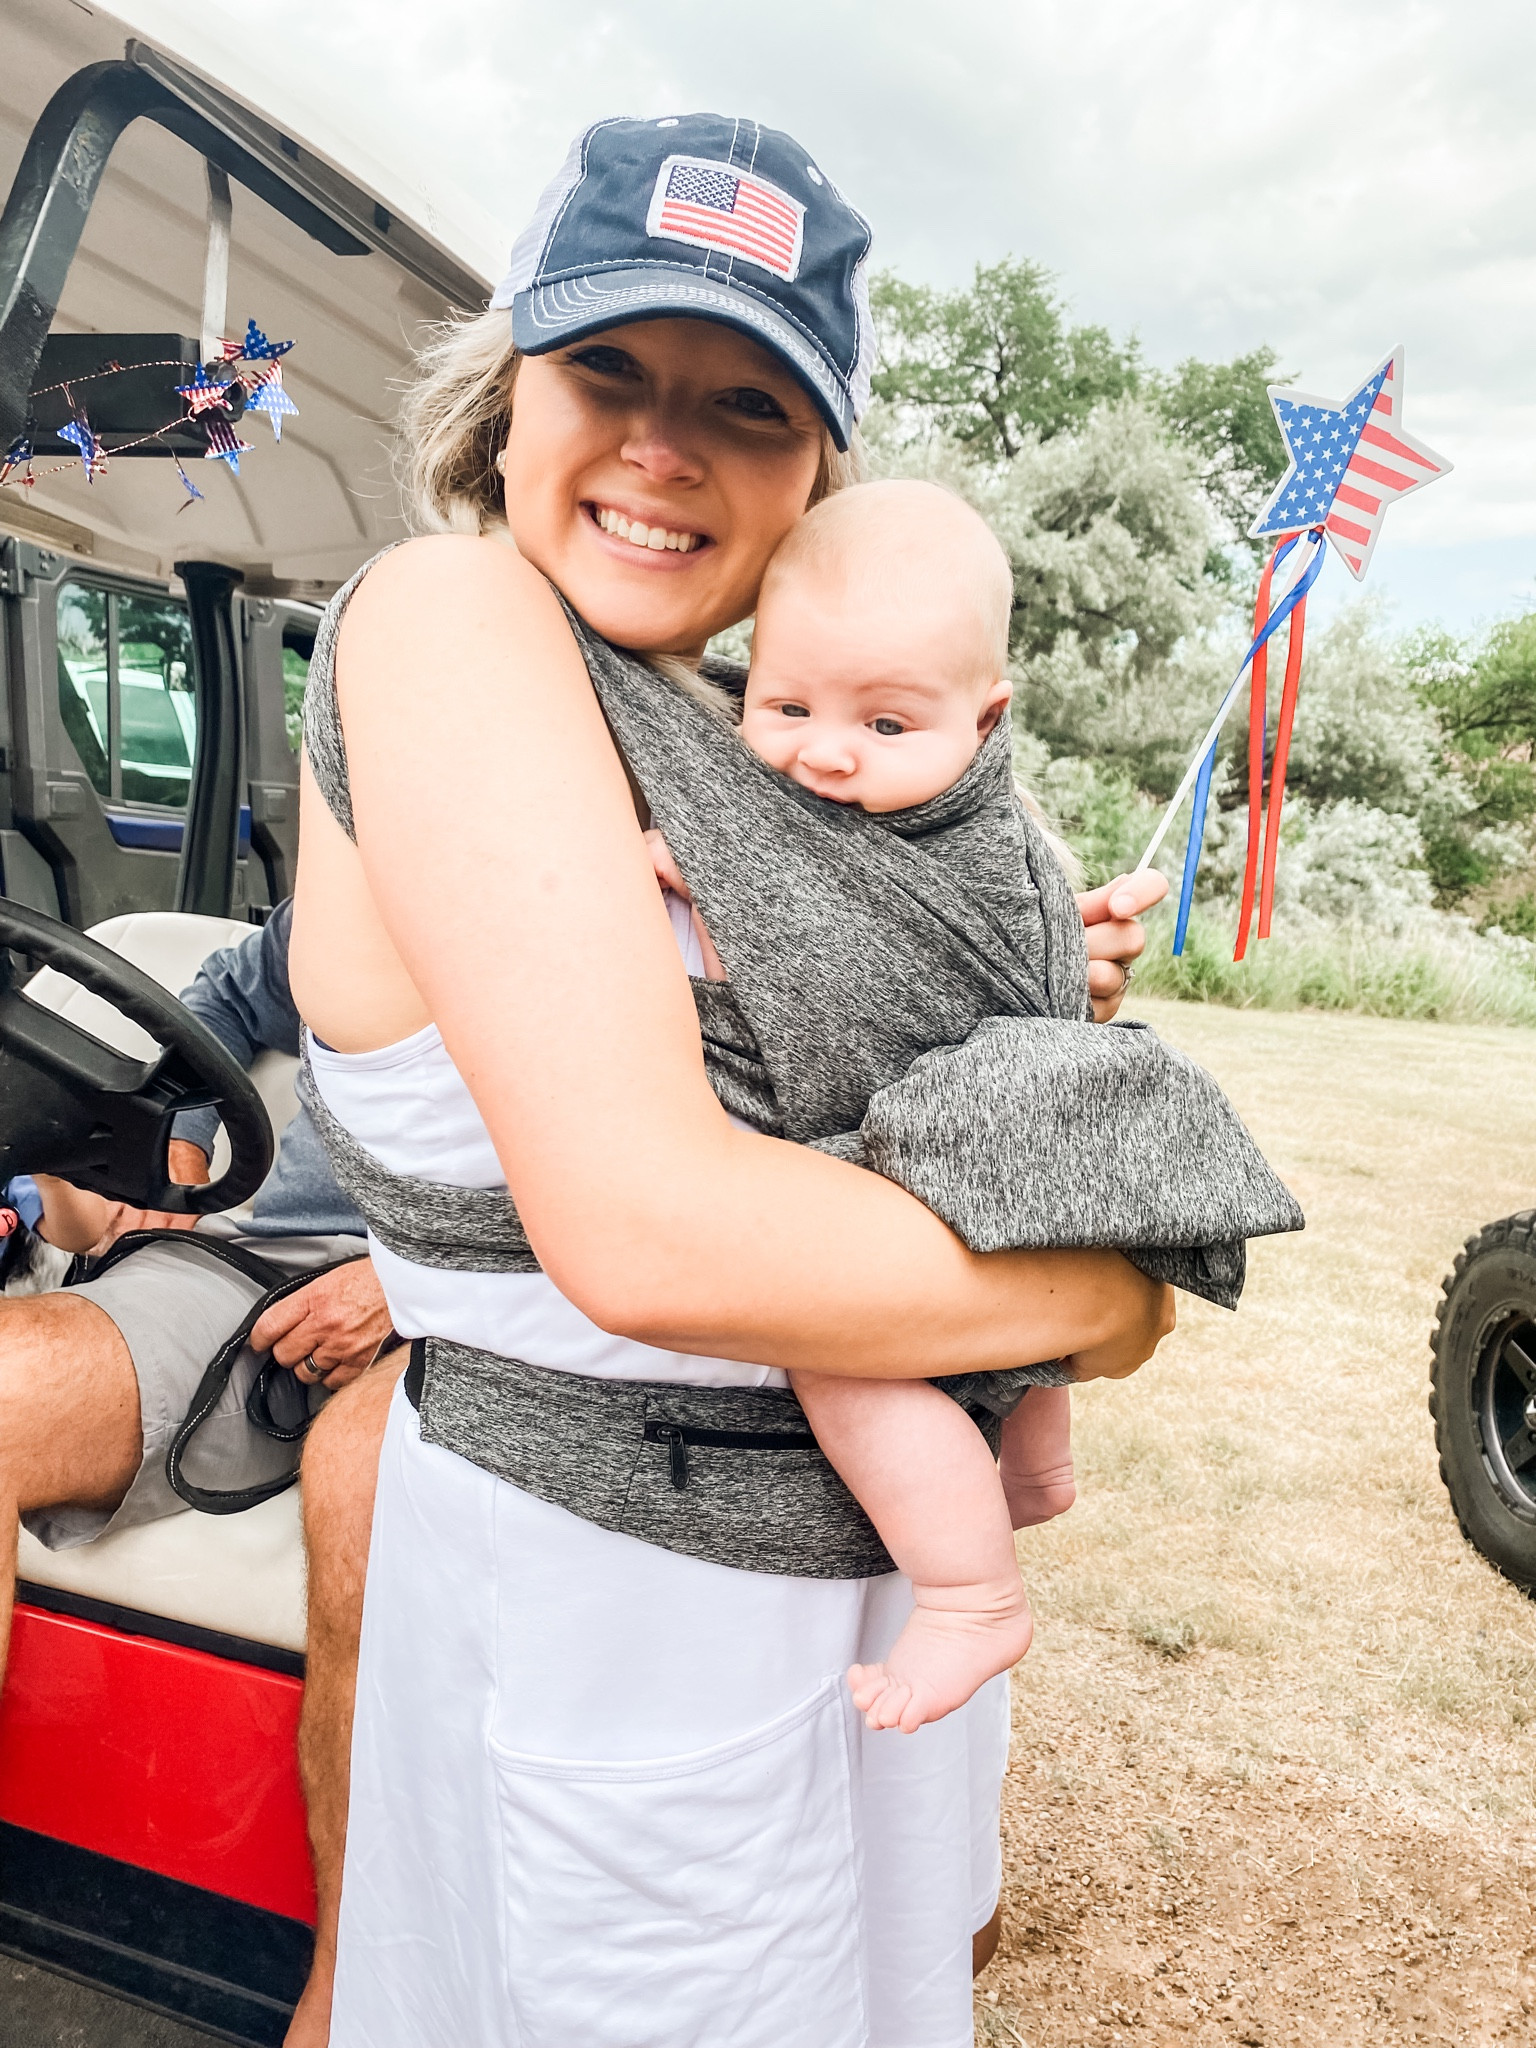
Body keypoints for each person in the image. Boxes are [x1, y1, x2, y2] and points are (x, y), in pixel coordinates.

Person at [287, 111, 1176, 2048]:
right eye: (609, 366)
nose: (665, 443)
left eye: (751, 405)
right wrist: (1107, 1297)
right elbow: (652, 1231)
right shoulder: (450, 623)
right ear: (505, 390)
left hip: (845, 1588)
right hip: (624, 1594)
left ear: (816, 486)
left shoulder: (759, 749)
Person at [640, 472, 1300, 1741]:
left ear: (986, 717)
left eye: (885, 724)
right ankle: (1036, 1463)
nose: (825, 752)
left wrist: (664, 853)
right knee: (1022, 1273)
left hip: (958, 1128)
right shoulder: (982, 815)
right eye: (785, 705)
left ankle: (968, 1589)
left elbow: (792, 906)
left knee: (839, 1347)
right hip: (1025, 1136)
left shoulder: (888, 826)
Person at [0, 901, 397, 1683]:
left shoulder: (656, 935)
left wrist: (414, 1285)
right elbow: (227, 998)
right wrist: (181, 1141)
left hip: (498, 1300)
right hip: (269, 1264)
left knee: (363, 1483)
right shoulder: (363, 896)